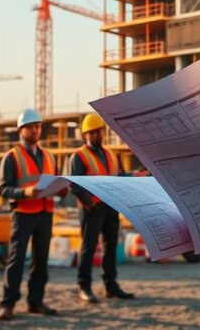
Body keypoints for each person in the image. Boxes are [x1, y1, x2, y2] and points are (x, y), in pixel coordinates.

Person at [0, 108, 64, 321]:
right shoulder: (11, 157)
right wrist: (25, 192)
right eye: (30, 127)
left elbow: (55, 181)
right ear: (20, 130)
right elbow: (3, 189)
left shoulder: (49, 156)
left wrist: (62, 189)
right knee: (16, 260)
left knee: (40, 260)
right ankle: (8, 304)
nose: (35, 130)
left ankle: (36, 301)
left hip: (45, 213)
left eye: (37, 126)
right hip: (23, 214)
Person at [69, 112, 135, 303]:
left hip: (111, 208)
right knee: (88, 249)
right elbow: (75, 185)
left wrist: (135, 176)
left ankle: (111, 286)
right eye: (93, 132)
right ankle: (84, 286)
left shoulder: (112, 155)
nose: (98, 135)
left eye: (100, 131)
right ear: (85, 135)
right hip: (92, 210)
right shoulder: (79, 156)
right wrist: (89, 204)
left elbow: (119, 176)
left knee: (111, 247)